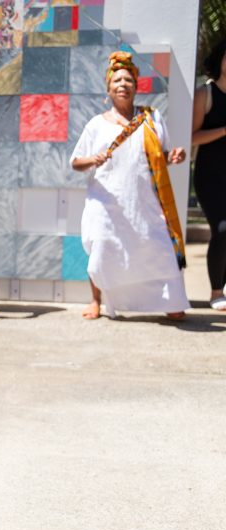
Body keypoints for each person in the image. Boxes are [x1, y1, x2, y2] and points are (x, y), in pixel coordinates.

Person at [70, 51, 188, 320]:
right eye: (117, 80)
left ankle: (170, 300)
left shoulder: (152, 119)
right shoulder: (96, 125)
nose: (123, 84)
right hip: (106, 201)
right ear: (108, 87)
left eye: (128, 80)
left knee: (157, 247)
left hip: (143, 201)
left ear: (136, 86)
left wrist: (174, 157)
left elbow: (160, 157)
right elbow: (75, 162)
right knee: (102, 247)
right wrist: (93, 159)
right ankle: (96, 301)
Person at [192, 39, 226, 311]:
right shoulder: (206, 94)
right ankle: (216, 291)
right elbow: (192, 137)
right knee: (223, 229)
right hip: (211, 175)